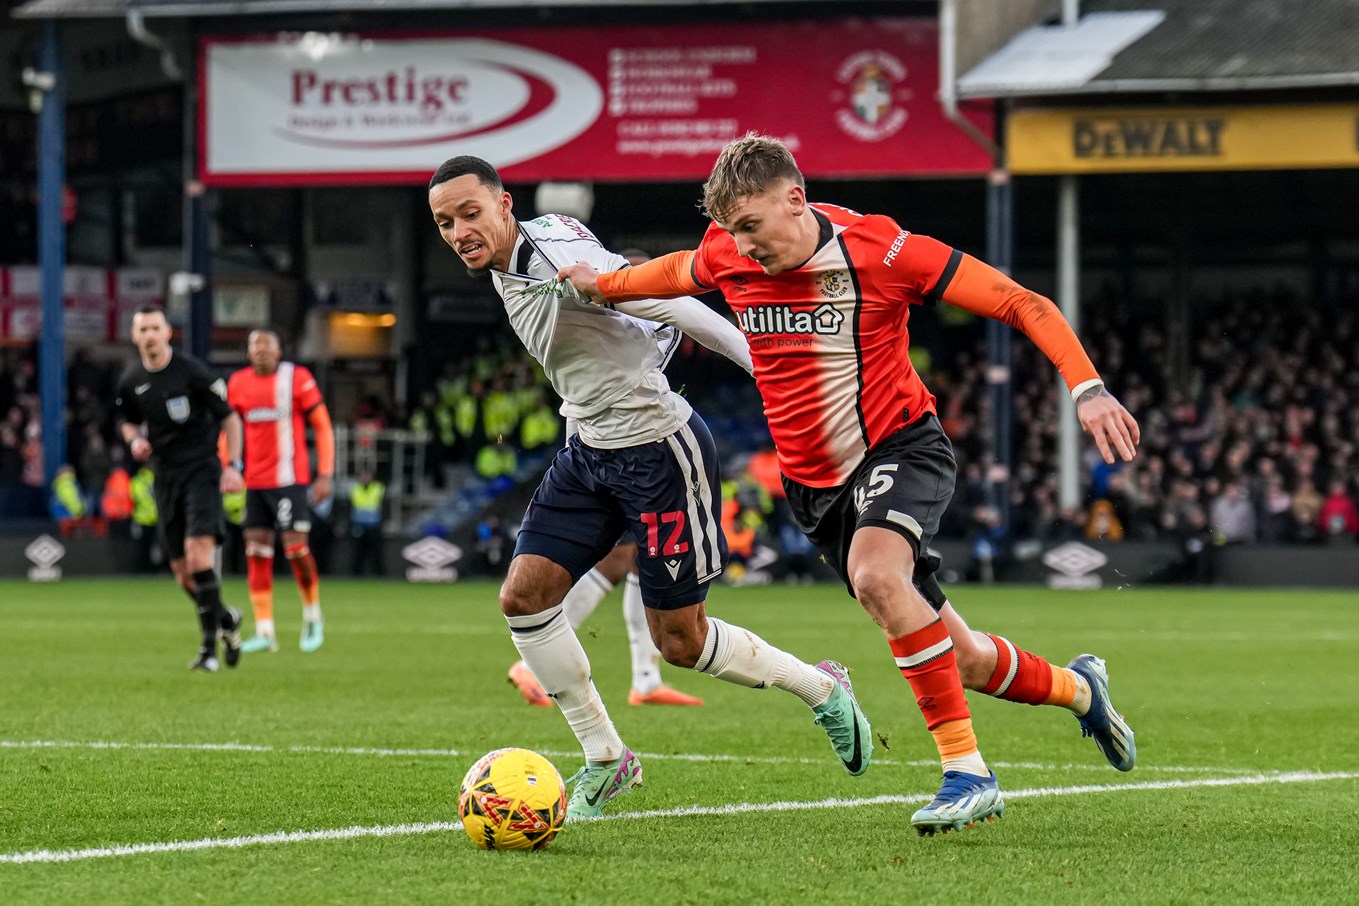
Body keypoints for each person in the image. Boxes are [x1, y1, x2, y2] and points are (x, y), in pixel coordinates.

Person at [559, 133, 1141, 834]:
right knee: (966, 658)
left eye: (751, 226)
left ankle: (967, 773)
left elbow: (1023, 303)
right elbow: (668, 272)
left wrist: (1087, 389)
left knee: (876, 576)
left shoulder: (882, 252)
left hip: (899, 446)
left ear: (795, 200)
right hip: (817, 490)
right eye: (730, 231)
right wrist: (600, 283)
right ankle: (1082, 690)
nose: (741, 247)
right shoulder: (726, 254)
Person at [429, 155, 873, 820]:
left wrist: (764, 372)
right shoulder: (531, 244)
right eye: (444, 222)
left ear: (503, 205)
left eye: (470, 213)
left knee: (682, 643)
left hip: (659, 450)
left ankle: (821, 690)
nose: (460, 230)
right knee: (523, 598)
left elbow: (670, 302)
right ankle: (607, 760)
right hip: (587, 450)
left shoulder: (550, 265)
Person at [505, 247, 706, 710]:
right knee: (622, 560)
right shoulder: (602, 313)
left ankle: (645, 679)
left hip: (617, 451)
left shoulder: (646, 323)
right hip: (604, 458)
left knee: (632, 561)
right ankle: (543, 665)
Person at [115, 305, 244, 672]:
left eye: (156, 328)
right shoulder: (131, 380)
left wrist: (233, 466)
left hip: (202, 471)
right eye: (143, 329)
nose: (150, 335)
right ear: (135, 335)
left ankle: (208, 653)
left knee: (199, 556)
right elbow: (127, 421)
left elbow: (230, 418)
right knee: (183, 574)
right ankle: (226, 621)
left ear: (168, 332)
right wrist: (134, 441)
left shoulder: (193, 372)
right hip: (165, 477)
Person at [226, 329, 334, 654]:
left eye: (266, 345)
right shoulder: (237, 384)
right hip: (255, 483)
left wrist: (325, 473)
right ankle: (265, 631)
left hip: (290, 480)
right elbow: (228, 428)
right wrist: (229, 465)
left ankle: (313, 616)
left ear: (279, 351)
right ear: (247, 353)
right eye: (254, 345)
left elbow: (323, 426)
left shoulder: (296, 378)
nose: (260, 350)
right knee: (256, 553)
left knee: (295, 550)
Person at [349, 471, 386, 576]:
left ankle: (380, 573)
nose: (365, 478)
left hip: (373, 524)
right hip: (358, 524)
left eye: (367, 476)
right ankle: (355, 573)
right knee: (357, 551)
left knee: (376, 550)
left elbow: (383, 504)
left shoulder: (378, 488)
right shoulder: (355, 488)